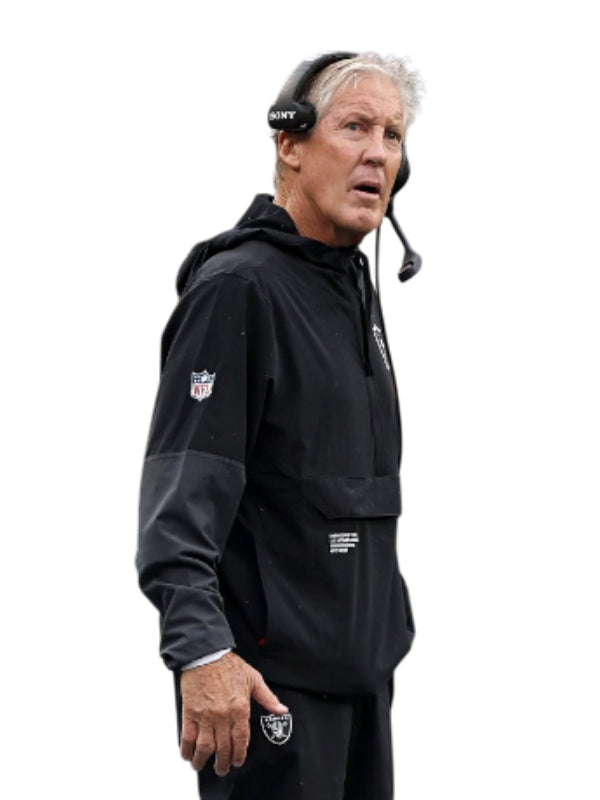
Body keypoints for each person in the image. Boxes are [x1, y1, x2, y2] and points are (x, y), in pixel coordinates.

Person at [136, 50, 423, 800]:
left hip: (362, 689)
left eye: (393, 135)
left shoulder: (350, 288)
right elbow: (178, 507)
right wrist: (202, 654)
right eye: (355, 126)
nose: (378, 153)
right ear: (290, 143)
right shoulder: (239, 289)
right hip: (268, 699)